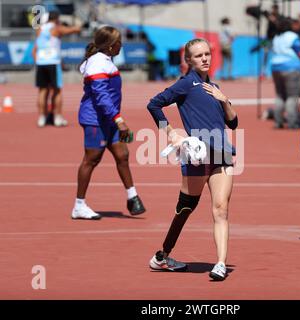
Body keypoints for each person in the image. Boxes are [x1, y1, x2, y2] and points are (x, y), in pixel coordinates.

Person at [147, 38, 238, 281]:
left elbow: (233, 122)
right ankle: (162, 256)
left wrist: (224, 99)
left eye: (207, 54)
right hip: (197, 155)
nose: (205, 59)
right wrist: (171, 134)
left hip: (222, 153)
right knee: (186, 208)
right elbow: (154, 105)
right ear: (188, 60)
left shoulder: (214, 86)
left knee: (221, 209)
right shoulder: (186, 84)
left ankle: (220, 263)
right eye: (198, 56)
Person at [71, 26, 146, 220]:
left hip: (108, 118)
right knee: (91, 159)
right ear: (112, 46)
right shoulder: (97, 63)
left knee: (122, 154)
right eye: (120, 42)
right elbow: (102, 96)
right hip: (95, 120)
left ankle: (132, 197)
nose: (122, 45)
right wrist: (119, 119)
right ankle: (79, 205)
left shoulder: (104, 60)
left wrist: (115, 118)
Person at [32, 11, 81, 128]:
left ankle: (41, 118)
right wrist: (78, 25)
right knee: (57, 91)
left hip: (41, 63)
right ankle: (57, 117)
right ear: (57, 19)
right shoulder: (57, 28)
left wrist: (38, 61)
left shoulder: (39, 30)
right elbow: (75, 30)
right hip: (53, 62)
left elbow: (34, 50)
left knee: (42, 91)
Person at [271, 18, 300, 129]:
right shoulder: (292, 36)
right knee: (292, 96)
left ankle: (278, 121)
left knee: (280, 95)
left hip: (275, 67)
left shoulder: (277, 37)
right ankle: (292, 122)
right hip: (291, 67)